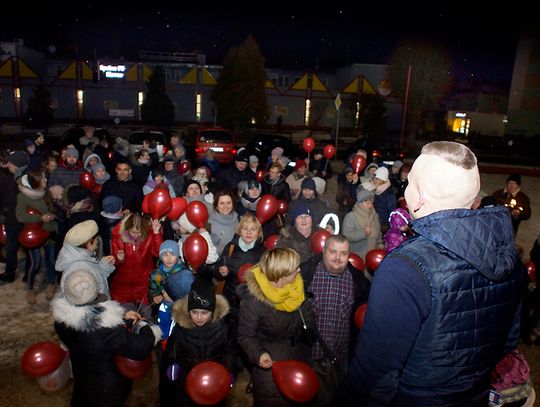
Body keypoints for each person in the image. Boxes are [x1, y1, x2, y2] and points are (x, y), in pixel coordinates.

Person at [336, 141, 525, 406]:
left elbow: (373, 378)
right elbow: (508, 341)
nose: (406, 189)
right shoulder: (509, 256)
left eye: (410, 183)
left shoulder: (405, 268)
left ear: (420, 196)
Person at [51, 269, 161, 407]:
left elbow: (88, 329)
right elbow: (140, 348)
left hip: (83, 380)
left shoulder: (62, 321)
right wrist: (144, 326)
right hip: (107, 389)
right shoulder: (106, 331)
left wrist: (122, 319)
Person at [237, 247, 316, 407]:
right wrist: (259, 355)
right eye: (295, 268)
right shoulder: (253, 301)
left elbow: (308, 319)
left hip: (300, 358)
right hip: (271, 367)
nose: (299, 270)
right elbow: (245, 336)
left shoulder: (297, 286)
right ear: (282, 275)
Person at [300, 234, 371, 405]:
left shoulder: (359, 283)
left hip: (341, 361)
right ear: (323, 251)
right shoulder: (304, 275)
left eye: (343, 253)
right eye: (333, 252)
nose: (338, 258)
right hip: (308, 357)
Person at [159, 278, 235, 406]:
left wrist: (230, 372)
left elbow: (229, 354)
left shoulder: (223, 329)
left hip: (213, 384)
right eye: (194, 312)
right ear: (189, 311)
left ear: (212, 311)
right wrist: (171, 367)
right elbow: (171, 354)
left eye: (204, 313)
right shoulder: (181, 329)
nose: (199, 318)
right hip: (186, 384)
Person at [16, 169, 59, 303]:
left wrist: (53, 215)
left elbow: (53, 209)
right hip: (33, 234)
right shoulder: (23, 196)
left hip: (49, 232)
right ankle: (30, 289)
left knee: (51, 261)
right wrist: (40, 218)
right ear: (35, 182)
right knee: (34, 264)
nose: (46, 180)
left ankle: (52, 284)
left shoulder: (47, 193)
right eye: (43, 179)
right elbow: (20, 216)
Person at [110, 212, 163, 318]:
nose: (137, 235)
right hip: (122, 287)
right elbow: (113, 263)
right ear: (127, 229)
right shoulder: (118, 238)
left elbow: (157, 253)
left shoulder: (148, 236)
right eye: (133, 232)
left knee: (145, 320)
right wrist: (119, 259)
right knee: (126, 320)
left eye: (140, 232)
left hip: (143, 286)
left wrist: (156, 233)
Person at [56, 219, 116, 299]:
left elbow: (94, 278)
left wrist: (103, 266)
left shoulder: (81, 258)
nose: (98, 241)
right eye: (95, 239)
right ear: (88, 243)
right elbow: (89, 302)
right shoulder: (79, 271)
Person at [149, 240, 193, 339]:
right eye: (165, 255)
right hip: (163, 307)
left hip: (180, 309)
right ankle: (163, 341)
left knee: (177, 331)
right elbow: (153, 290)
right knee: (162, 326)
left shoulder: (183, 273)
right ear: (160, 257)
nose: (169, 258)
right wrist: (155, 298)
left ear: (177, 256)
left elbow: (188, 294)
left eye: (172, 254)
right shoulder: (156, 274)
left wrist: (174, 298)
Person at [0, 151, 29, 283]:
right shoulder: (7, 176)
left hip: (24, 219)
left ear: (17, 165)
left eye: (11, 162)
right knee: (11, 247)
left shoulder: (26, 179)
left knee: (28, 247)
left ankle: (29, 272)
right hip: (11, 218)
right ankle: (9, 273)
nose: (8, 164)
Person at [342, 189, 384, 262]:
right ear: (359, 203)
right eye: (366, 201)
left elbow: (378, 235)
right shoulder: (351, 217)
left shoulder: (375, 216)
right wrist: (363, 233)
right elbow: (346, 236)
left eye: (371, 201)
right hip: (357, 258)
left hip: (373, 258)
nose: (369, 204)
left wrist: (380, 246)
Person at [208, 190, 240, 256]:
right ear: (216, 206)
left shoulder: (239, 220)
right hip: (217, 260)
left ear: (233, 205)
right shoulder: (209, 223)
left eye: (228, 203)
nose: (225, 206)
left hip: (236, 259)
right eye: (222, 203)